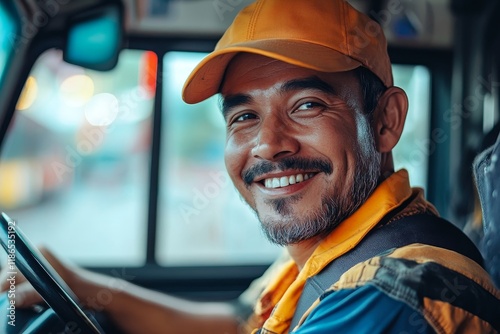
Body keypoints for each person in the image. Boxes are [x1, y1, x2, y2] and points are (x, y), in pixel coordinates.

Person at [2, 0, 500, 333]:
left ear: (386, 121)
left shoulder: (395, 293)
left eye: (307, 105)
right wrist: (83, 285)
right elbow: (234, 322)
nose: (267, 145)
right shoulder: (328, 249)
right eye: (244, 116)